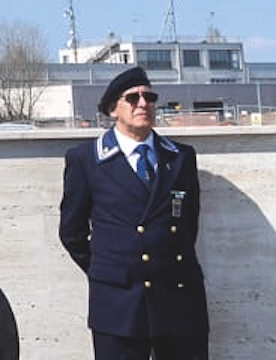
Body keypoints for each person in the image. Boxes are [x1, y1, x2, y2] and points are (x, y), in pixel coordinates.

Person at [59, 66, 209, 360]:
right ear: (113, 109)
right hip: (119, 302)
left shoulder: (181, 158)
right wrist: (111, 269)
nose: (144, 103)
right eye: (133, 98)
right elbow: (72, 232)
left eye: (149, 97)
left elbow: (188, 223)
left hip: (178, 296)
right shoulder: (86, 160)